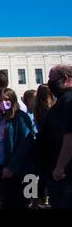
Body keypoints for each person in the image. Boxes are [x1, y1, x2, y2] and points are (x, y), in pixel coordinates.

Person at [0, 88, 35, 209]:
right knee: (6, 202)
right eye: (0, 100)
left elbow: (25, 145)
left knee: (21, 202)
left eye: (6, 100)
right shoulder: (1, 118)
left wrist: (11, 167)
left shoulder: (21, 117)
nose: (3, 103)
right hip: (2, 167)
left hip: (19, 170)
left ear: (13, 100)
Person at [37, 65, 72, 208]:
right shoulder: (63, 100)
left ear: (64, 79)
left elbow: (70, 136)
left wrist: (60, 166)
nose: (49, 83)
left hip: (64, 174)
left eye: (52, 80)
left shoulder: (69, 101)